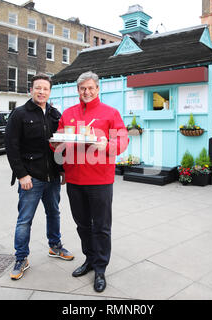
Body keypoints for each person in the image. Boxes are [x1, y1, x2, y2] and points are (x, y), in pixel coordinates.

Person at [52, 71, 129, 293]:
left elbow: (122, 140)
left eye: (90, 88)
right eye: (82, 89)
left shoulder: (110, 113)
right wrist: (57, 144)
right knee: (83, 224)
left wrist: (107, 145)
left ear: (97, 89)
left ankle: (101, 268)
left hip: (100, 179)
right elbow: (57, 141)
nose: (86, 92)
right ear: (78, 90)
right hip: (75, 179)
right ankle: (89, 259)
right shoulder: (68, 114)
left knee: (102, 227)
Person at [5, 73, 74, 281]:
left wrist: (62, 170)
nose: (41, 91)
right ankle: (21, 258)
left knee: (54, 213)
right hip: (30, 178)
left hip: (52, 176)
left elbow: (61, 145)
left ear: (49, 92)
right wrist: (21, 174)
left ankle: (55, 246)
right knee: (24, 220)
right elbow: (11, 147)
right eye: (38, 88)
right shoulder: (19, 114)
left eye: (45, 88)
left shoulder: (55, 114)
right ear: (31, 90)